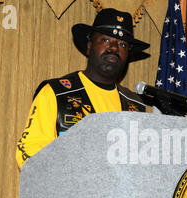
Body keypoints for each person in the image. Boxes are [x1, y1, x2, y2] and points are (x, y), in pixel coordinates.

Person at [16, 8, 150, 169]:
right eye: (106, 40)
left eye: (122, 44)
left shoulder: (135, 105)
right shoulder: (56, 92)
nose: (114, 48)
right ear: (89, 46)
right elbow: (29, 150)